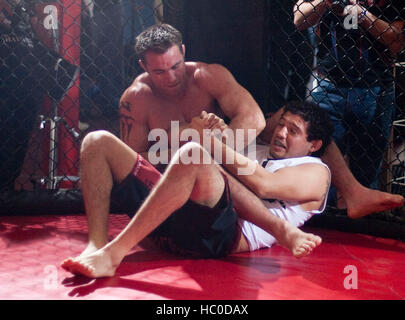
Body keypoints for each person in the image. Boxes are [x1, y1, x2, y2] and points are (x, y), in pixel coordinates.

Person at [61, 101, 332, 278]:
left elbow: (264, 184)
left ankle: (113, 253)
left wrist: (209, 143)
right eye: (281, 124)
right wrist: (206, 129)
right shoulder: (260, 149)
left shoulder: (315, 171)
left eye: (293, 130)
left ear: (314, 144)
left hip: (219, 236)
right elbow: (202, 156)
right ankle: (95, 244)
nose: (281, 132)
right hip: (175, 223)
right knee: (97, 141)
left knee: (195, 153)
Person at [293, 0, 405, 214]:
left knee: (367, 166)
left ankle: (362, 222)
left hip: (375, 87)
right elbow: (299, 19)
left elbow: (397, 42)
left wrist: (363, 15)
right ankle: (322, 218)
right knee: (318, 161)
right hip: (329, 84)